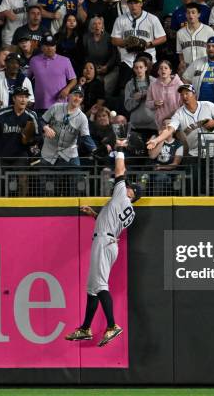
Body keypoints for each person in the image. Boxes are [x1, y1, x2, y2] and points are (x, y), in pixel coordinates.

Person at [65, 137, 141, 346]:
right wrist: (94, 214)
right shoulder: (128, 210)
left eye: (129, 187)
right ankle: (85, 328)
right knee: (92, 288)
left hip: (105, 242)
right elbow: (110, 222)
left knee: (99, 286)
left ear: (132, 194)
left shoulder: (123, 197)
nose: (126, 187)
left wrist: (119, 150)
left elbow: (119, 171)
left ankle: (112, 326)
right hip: (109, 242)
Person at [110, 0, 166, 90]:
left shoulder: (152, 19)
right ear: (127, 4)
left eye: (136, 2)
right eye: (130, 3)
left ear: (141, 3)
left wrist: (148, 44)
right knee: (124, 89)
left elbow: (163, 38)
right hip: (128, 60)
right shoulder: (120, 19)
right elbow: (114, 40)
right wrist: (126, 43)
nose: (133, 5)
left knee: (154, 88)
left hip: (149, 61)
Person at [0, 85, 38, 162]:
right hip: (0, 155)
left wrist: (31, 142)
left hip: (20, 156)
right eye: (20, 96)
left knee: (23, 167)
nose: (23, 99)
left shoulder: (31, 116)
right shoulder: (2, 114)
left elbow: (38, 137)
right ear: (14, 99)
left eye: (26, 97)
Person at [40, 85, 96, 166]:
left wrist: (94, 149)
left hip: (69, 154)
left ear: (82, 100)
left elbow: (86, 137)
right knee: (46, 177)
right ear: (69, 95)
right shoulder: (56, 107)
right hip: (49, 152)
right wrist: (45, 127)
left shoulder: (82, 118)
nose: (77, 98)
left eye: (80, 97)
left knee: (77, 177)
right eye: (75, 95)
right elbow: (41, 120)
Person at [27, 34, 77, 114]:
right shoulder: (34, 61)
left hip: (60, 105)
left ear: (55, 47)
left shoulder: (65, 61)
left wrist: (67, 89)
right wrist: (29, 98)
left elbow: (73, 80)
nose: (50, 48)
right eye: (46, 45)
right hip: (40, 105)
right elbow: (27, 80)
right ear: (42, 47)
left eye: (52, 45)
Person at [0, 52, 35, 119]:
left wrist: (23, 103)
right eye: (12, 63)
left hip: (18, 119)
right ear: (6, 63)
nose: (15, 65)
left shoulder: (25, 80)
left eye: (17, 63)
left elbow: (31, 101)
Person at [82, 15, 118, 95]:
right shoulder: (86, 38)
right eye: (94, 24)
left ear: (102, 26)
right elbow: (84, 55)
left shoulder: (109, 37)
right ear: (91, 26)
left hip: (108, 69)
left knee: (106, 84)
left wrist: (107, 66)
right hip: (93, 68)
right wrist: (93, 68)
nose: (97, 26)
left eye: (99, 23)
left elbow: (114, 55)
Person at [148, 118, 184, 195]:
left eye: (168, 125)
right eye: (164, 125)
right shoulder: (154, 138)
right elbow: (152, 156)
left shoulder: (178, 144)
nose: (166, 126)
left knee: (162, 176)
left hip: (169, 171)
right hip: (153, 170)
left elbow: (175, 164)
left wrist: (161, 167)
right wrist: (162, 139)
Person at [176, 2, 214, 72]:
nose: (191, 15)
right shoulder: (180, 33)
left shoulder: (208, 30)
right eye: (188, 13)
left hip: (206, 69)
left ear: (199, 14)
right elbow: (180, 53)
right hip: (188, 70)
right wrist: (182, 64)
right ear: (185, 15)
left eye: (193, 12)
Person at [124, 58, 156, 142]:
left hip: (153, 124)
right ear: (133, 69)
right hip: (136, 125)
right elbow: (127, 106)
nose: (139, 70)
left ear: (146, 68)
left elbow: (160, 101)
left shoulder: (155, 82)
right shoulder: (129, 84)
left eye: (141, 67)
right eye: (136, 68)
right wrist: (136, 100)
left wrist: (143, 94)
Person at [146, 59, 183, 131]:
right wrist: (154, 103)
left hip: (177, 120)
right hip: (161, 123)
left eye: (166, 68)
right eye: (161, 68)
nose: (163, 70)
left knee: (179, 141)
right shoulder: (153, 85)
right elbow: (147, 103)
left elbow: (184, 103)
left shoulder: (179, 84)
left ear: (170, 71)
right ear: (158, 71)